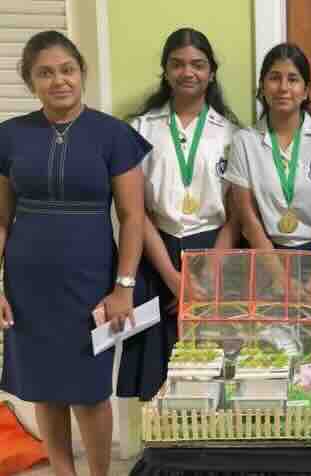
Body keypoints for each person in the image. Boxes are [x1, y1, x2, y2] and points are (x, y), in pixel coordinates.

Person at [0, 31, 149, 476]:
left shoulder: (114, 135)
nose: (59, 80)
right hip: (27, 284)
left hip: (89, 281)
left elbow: (133, 217)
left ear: (82, 72)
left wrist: (124, 287)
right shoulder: (9, 136)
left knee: (89, 391)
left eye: (67, 70)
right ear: (31, 81)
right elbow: (1, 220)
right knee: (44, 388)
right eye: (45, 73)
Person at [118, 28, 240, 401]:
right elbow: (135, 211)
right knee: (156, 374)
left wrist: (204, 275)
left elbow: (236, 215)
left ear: (211, 72)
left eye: (198, 64)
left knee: (213, 371)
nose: (188, 72)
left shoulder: (232, 134)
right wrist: (174, 279)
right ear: (166, 70)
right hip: (155, 254)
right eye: (178, 64)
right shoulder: (139, 129)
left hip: (214, 256)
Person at [223, 43, 311, 290]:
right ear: (262, 86)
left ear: (306, 90)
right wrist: (279, 276)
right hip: (263, 260)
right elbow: (248, 218)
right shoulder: (244, 141)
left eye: (293, 79)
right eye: (274, 78)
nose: (283, 88)